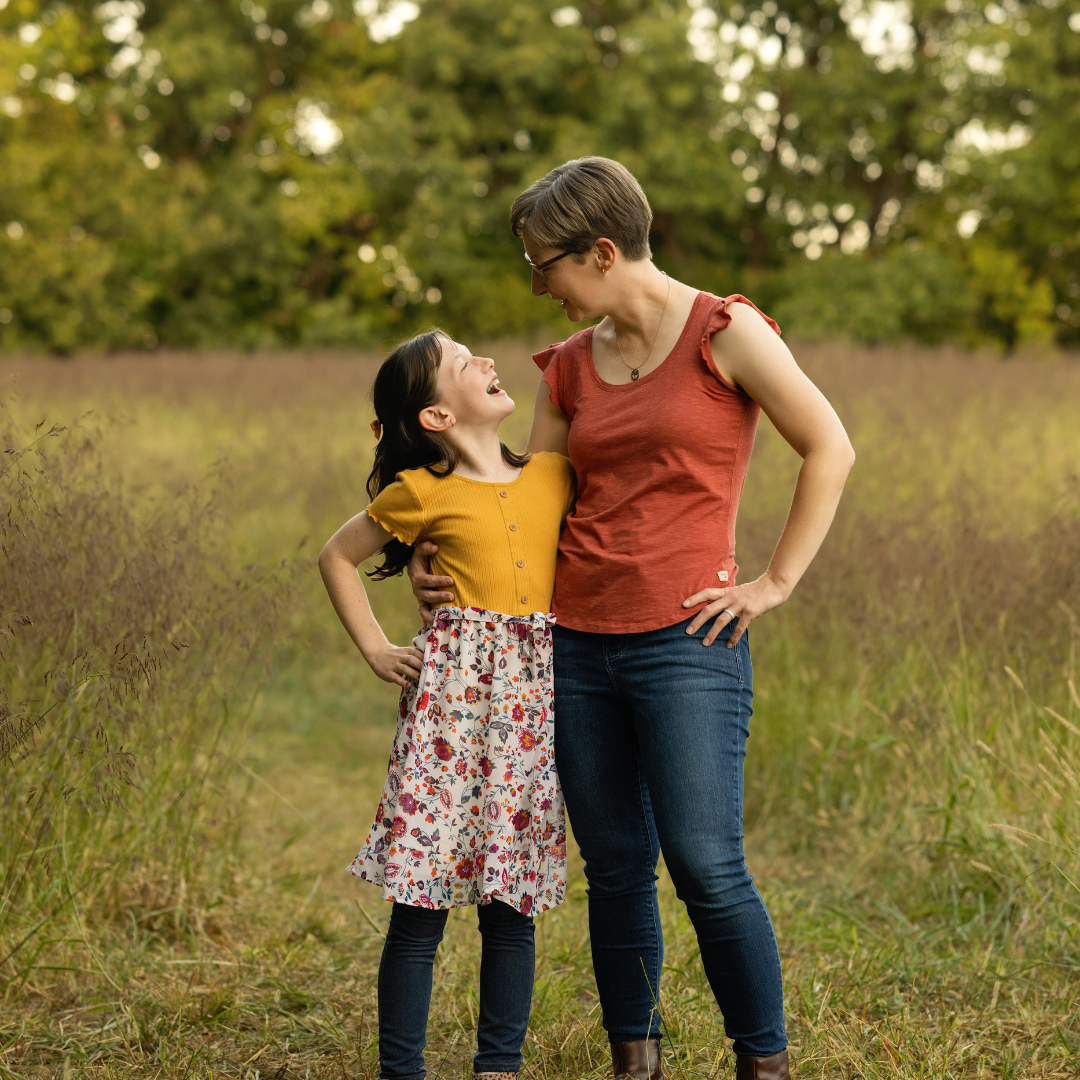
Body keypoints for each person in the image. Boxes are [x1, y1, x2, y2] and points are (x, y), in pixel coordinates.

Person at [407, 158, 855, 1080]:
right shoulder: (568, 366)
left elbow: (830, 446)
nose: (539, 285)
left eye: (546, 265)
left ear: (602, 251)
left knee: (703, 862)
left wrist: (772, 583)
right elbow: (530, 500)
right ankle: (635, 1061)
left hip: (689, 644)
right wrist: (433, 551)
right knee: (614, 866)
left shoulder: (727, 334)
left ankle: (762, 1061)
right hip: (572, 645)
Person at [318, 329, 575, 1080]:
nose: (488, 363)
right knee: (419, 900)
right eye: (466, 364)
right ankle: (403, 1069)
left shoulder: (553, 474)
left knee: (511, 902)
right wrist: (374, 646)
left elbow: (565, 392)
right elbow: (336, 555)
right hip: (449, 711)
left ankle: (499, 1065)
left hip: (531, 709)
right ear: (434, 417)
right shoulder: (421, 493)